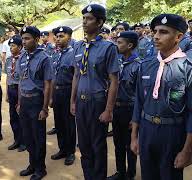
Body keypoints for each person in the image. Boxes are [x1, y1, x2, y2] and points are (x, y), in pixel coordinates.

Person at [131, 14, 192, 180]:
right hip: (147, 130)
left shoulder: (187, 68)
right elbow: (139, 102)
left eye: (163, 32)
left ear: (179, 36)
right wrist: (134, 137)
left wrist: (187, 150)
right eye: (155, 31)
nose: (156, 36)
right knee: (148, 175)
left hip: (172, 133)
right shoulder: (146, 65)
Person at [70, 4, 120, 180]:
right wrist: (73, 101)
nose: (84, 22)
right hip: (81, 102)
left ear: (100, 22)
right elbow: (76, 75)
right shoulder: (78, 47)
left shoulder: (108, 48)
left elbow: (114, 80)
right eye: (83, 18)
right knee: (84, 145)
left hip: (98, 102)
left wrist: (108, 110)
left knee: (98, 145)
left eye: (89, 18)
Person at [16, 26, 52, 180]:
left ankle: (40, 168)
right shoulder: (22, 57)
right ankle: (32, 164)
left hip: (37, 101)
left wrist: (44, 108)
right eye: (23, 38)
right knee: (28, 135)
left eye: (27, 38)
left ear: (36, 39)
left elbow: (48, 84)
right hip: (24, 101)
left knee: (38, 137)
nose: (24, 41)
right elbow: (20, 81)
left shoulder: (44, 58)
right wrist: (19, 102)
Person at [107, 31, 140, 180]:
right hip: (117, 108)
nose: (116, 45)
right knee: (118, 143)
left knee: (129, 144)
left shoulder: (139, 65)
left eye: (120, 42)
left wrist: (136, 118)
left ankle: (130, 173)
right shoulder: (117, 62)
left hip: (130, 109)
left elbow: (140, 95)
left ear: (130, 45)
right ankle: (120, 172)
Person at [50, 26, 76, 166]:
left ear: (69, 37)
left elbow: (75, 78)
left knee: (69, 124)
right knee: (59, 122)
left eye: (61, 36)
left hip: (68, 91)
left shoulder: (73, 54)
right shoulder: (55, 54)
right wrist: (51, 96)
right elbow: (53, 76)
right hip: (57, 92)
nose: (58, 39)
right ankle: (62, 149)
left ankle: (70, 152)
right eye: (57, 36)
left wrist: (73, 100)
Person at [4, 36, 26, 152]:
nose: (11, 48)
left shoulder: (24, 58)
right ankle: (17, 140)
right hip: (11, 89)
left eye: (13, 46)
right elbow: (8, 76)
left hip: (20, 89)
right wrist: (7, 93)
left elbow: (23, 80)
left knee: (21, 116)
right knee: (13, 117)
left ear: (20, 47)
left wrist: (20, 98)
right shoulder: (9, 60)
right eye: (10, 46)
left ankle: (24, 141)